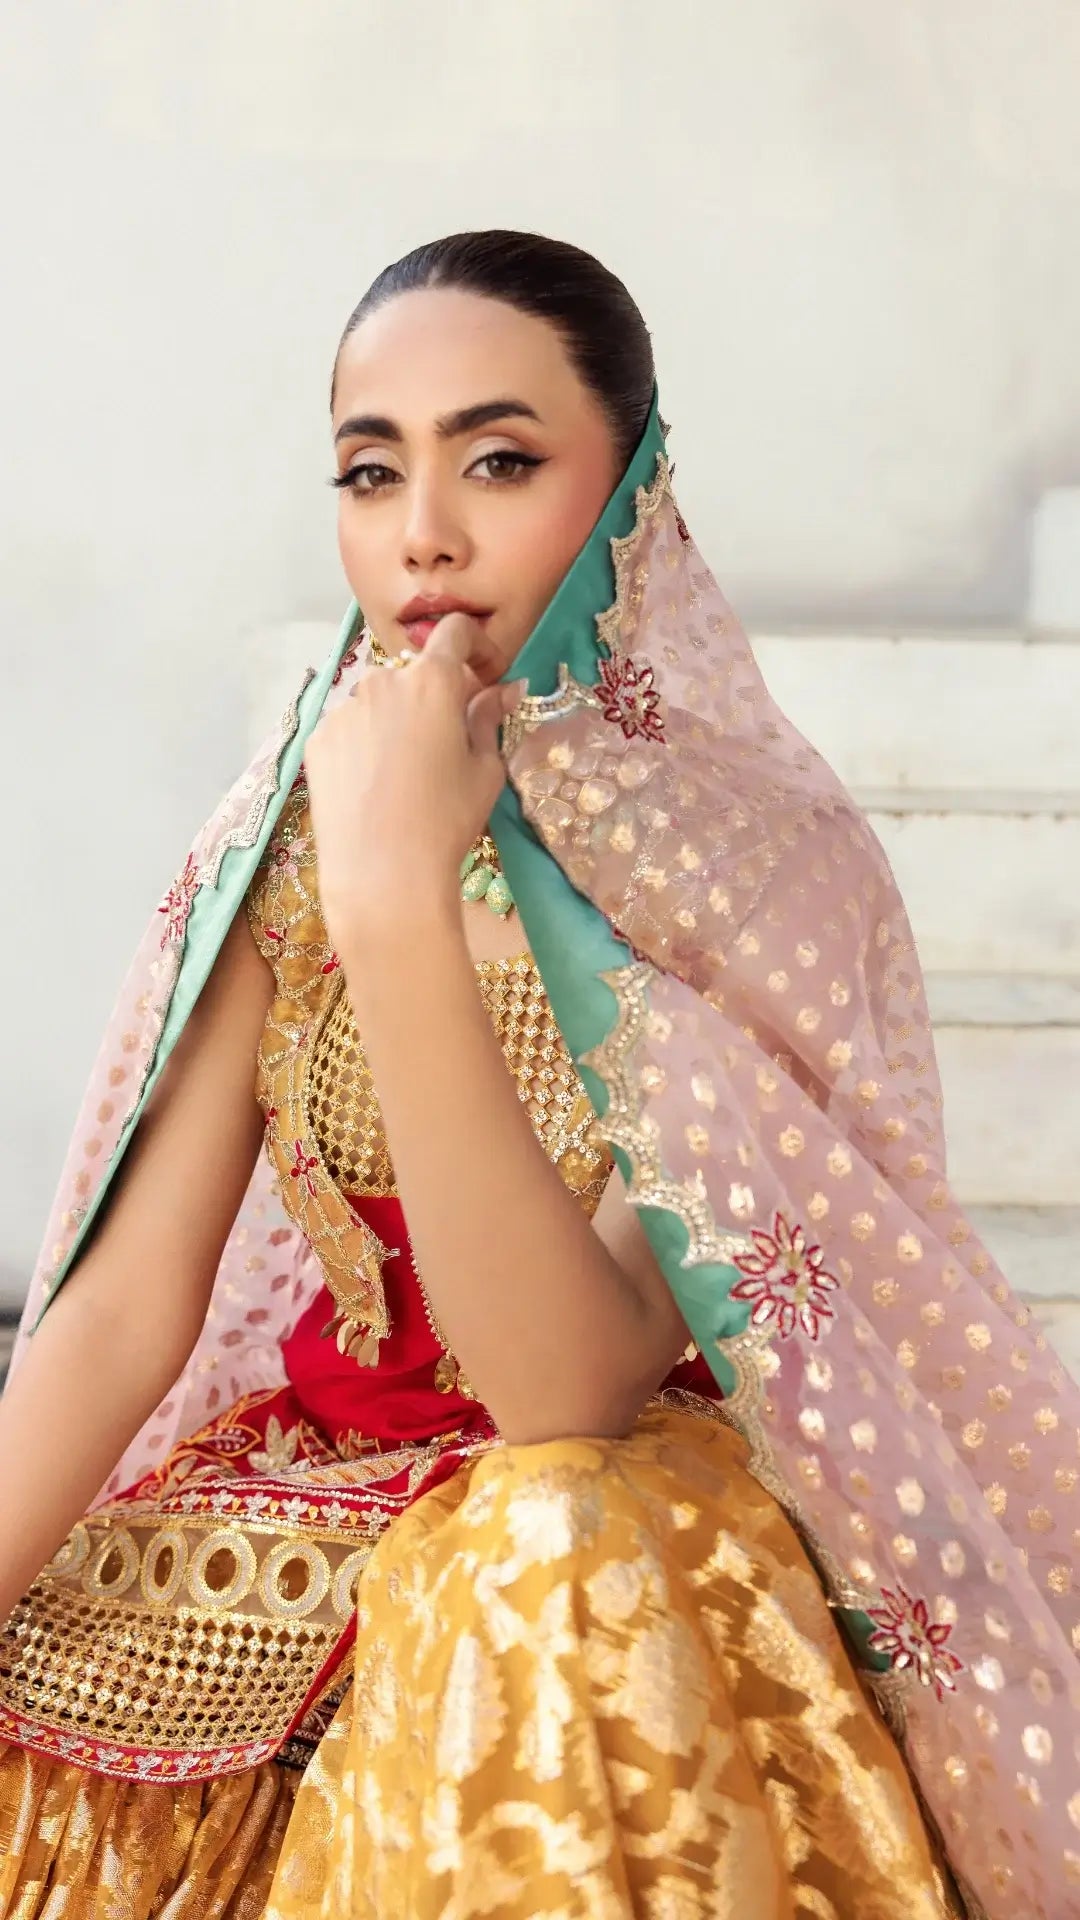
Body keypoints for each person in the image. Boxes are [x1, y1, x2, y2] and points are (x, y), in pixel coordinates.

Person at [0, 231, 1073, 1920]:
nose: (422, 529)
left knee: (540, 1559)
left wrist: (393, 894)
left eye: (500, 460)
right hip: (289, 1524)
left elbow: (561, 1389)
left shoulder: (764, 879)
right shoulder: (281, 829)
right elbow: (131, 1309)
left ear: (631, 491)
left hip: (598, 1529)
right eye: (371, 470)